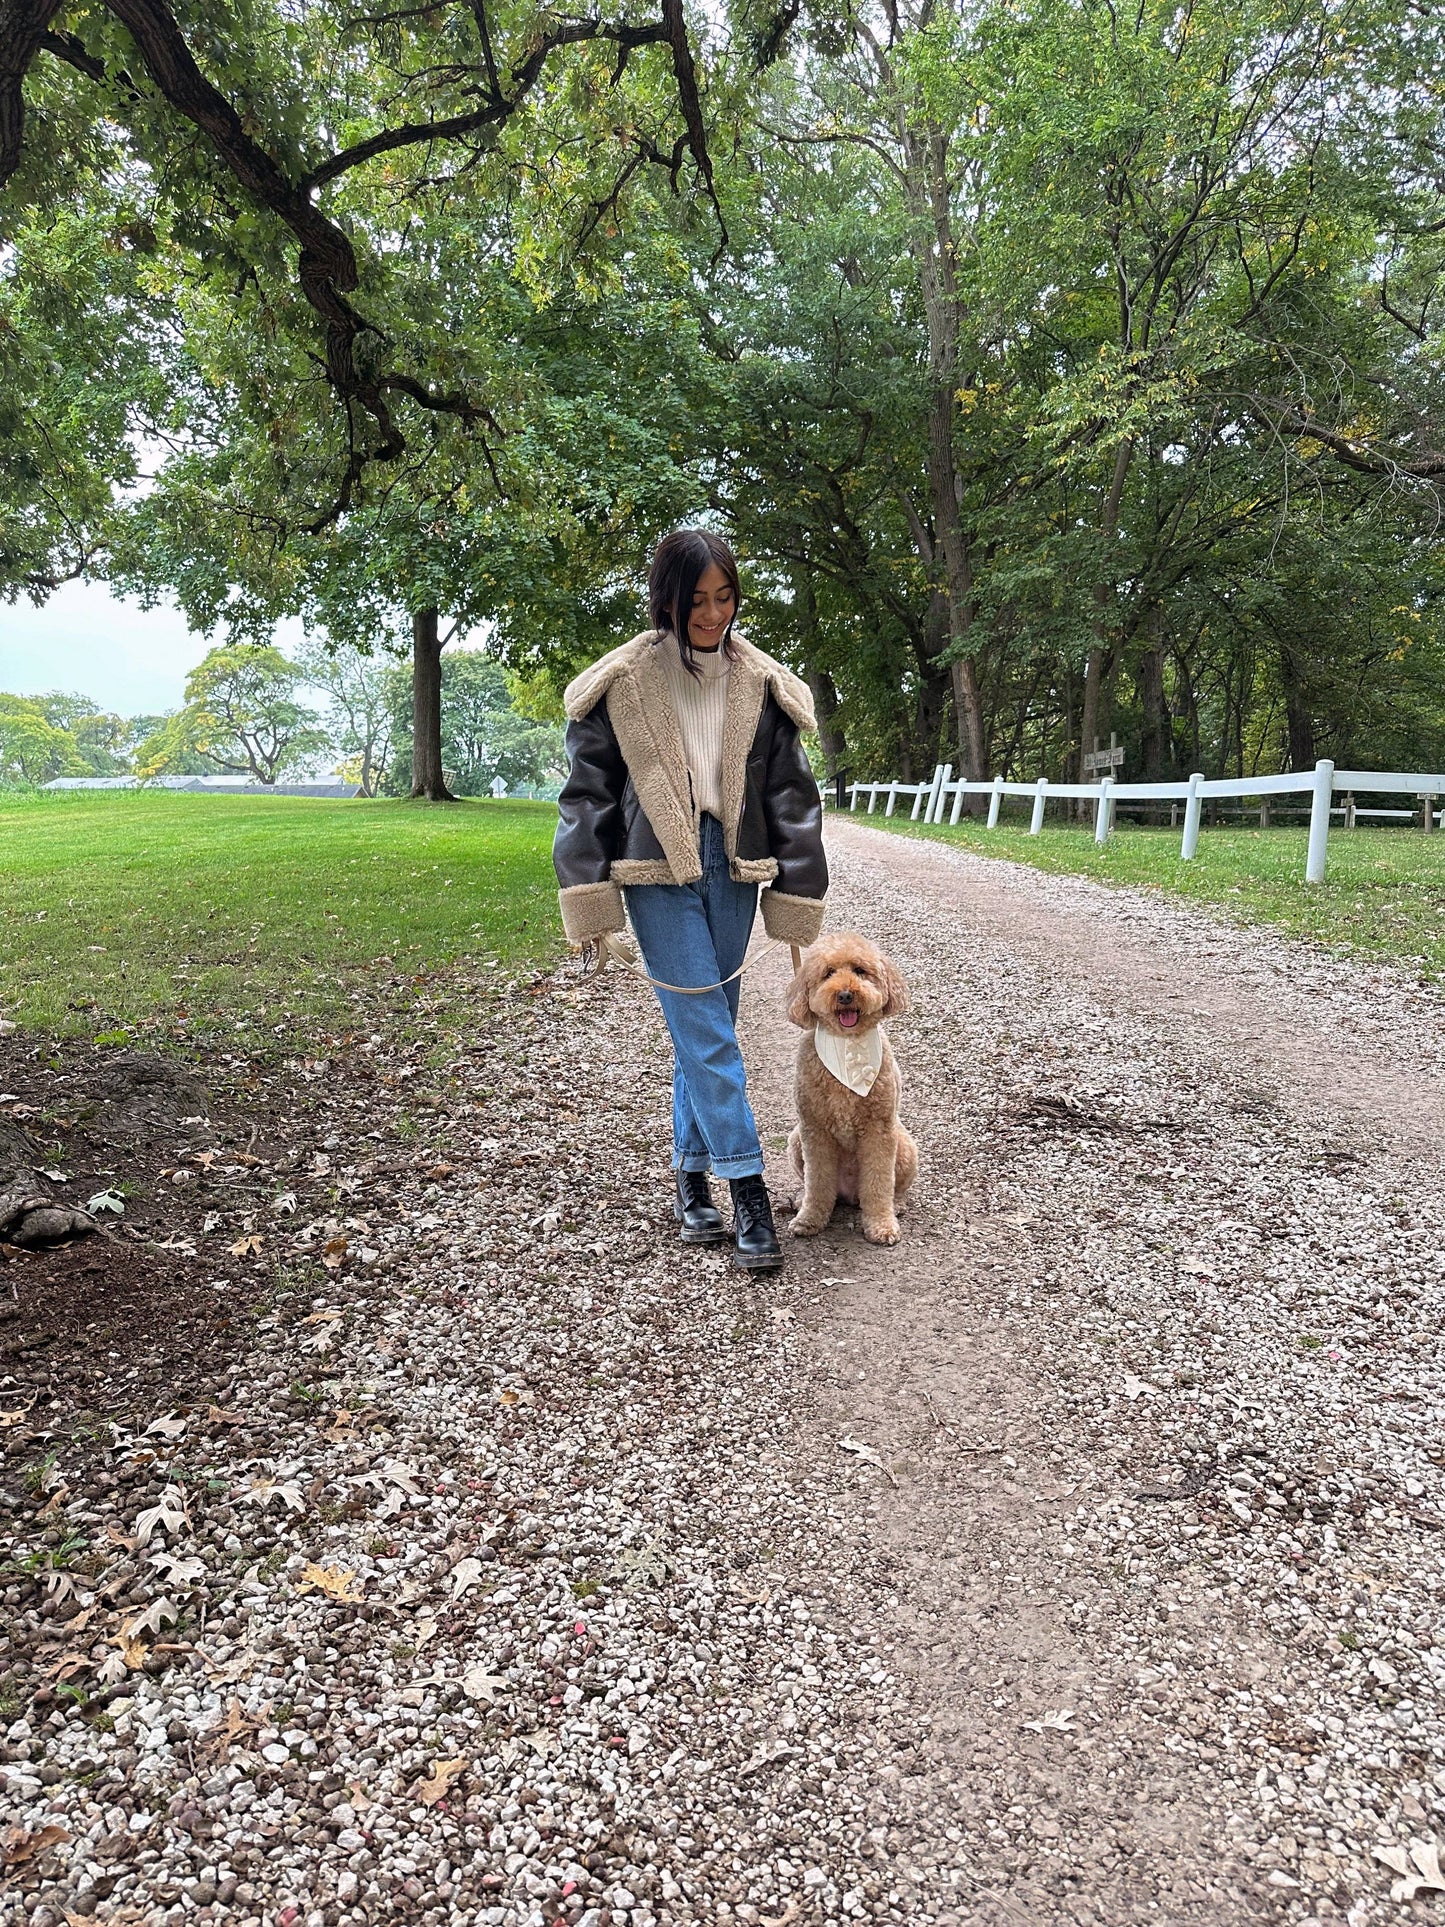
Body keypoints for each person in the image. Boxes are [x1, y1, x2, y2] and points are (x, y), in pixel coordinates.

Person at [553, 529, 828, 1270]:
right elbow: (586, 797)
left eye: (724, 597)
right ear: (666, 599)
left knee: (703, 1027)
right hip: (654, 869)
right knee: (709, 1032)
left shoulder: (763, 683)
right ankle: (746, 1191)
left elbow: (791, 796)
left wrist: (797, 886)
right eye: (696, 599)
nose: (712, 614)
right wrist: (588, 893)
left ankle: (688, 1180)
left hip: (733, 867)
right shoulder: (623, 680)